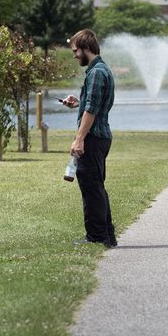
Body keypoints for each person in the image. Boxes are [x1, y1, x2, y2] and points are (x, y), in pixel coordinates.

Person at [62, 29, 117, 247]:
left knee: (91, 188)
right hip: (100, 136)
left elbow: (92, 110)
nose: (74, 55)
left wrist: (79, 138)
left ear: (86, 47)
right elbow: (93, 105)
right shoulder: (102, 70)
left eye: (75, 50)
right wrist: (78, 102)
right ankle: (107, 235)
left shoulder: (96, 73)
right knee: (97, 186)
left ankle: (96, 237)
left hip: (93, 138)